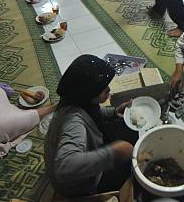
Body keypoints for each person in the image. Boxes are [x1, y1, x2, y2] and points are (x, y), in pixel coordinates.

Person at [45, 55, 135, 197]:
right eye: (104, 89)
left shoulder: (75, 100)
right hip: (79, 186)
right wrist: (113, 153)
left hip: (78, 168)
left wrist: (113, 111)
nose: (109, 90)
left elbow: (93, 114)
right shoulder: (73, 122)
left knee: (123, 125)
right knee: (131, 165)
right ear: (88, 92)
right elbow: (63, 167)